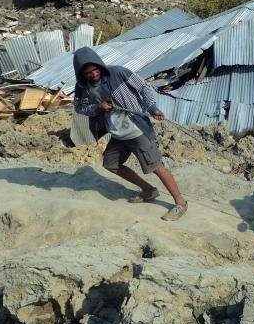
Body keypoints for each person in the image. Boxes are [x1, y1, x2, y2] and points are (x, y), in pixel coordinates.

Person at [72, 46, 188, 221]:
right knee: (110, 164)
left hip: (136, 129)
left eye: (95, 70)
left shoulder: (118, 73)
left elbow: (144, 87)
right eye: (88, 73)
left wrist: (152, 107)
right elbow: (79, 107)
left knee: (155, 166)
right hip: (117, 133)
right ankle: (148, 190)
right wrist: (98, 107)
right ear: (81, 73)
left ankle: (180, 203)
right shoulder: (82, 87)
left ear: (99, 65)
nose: (93, 74)